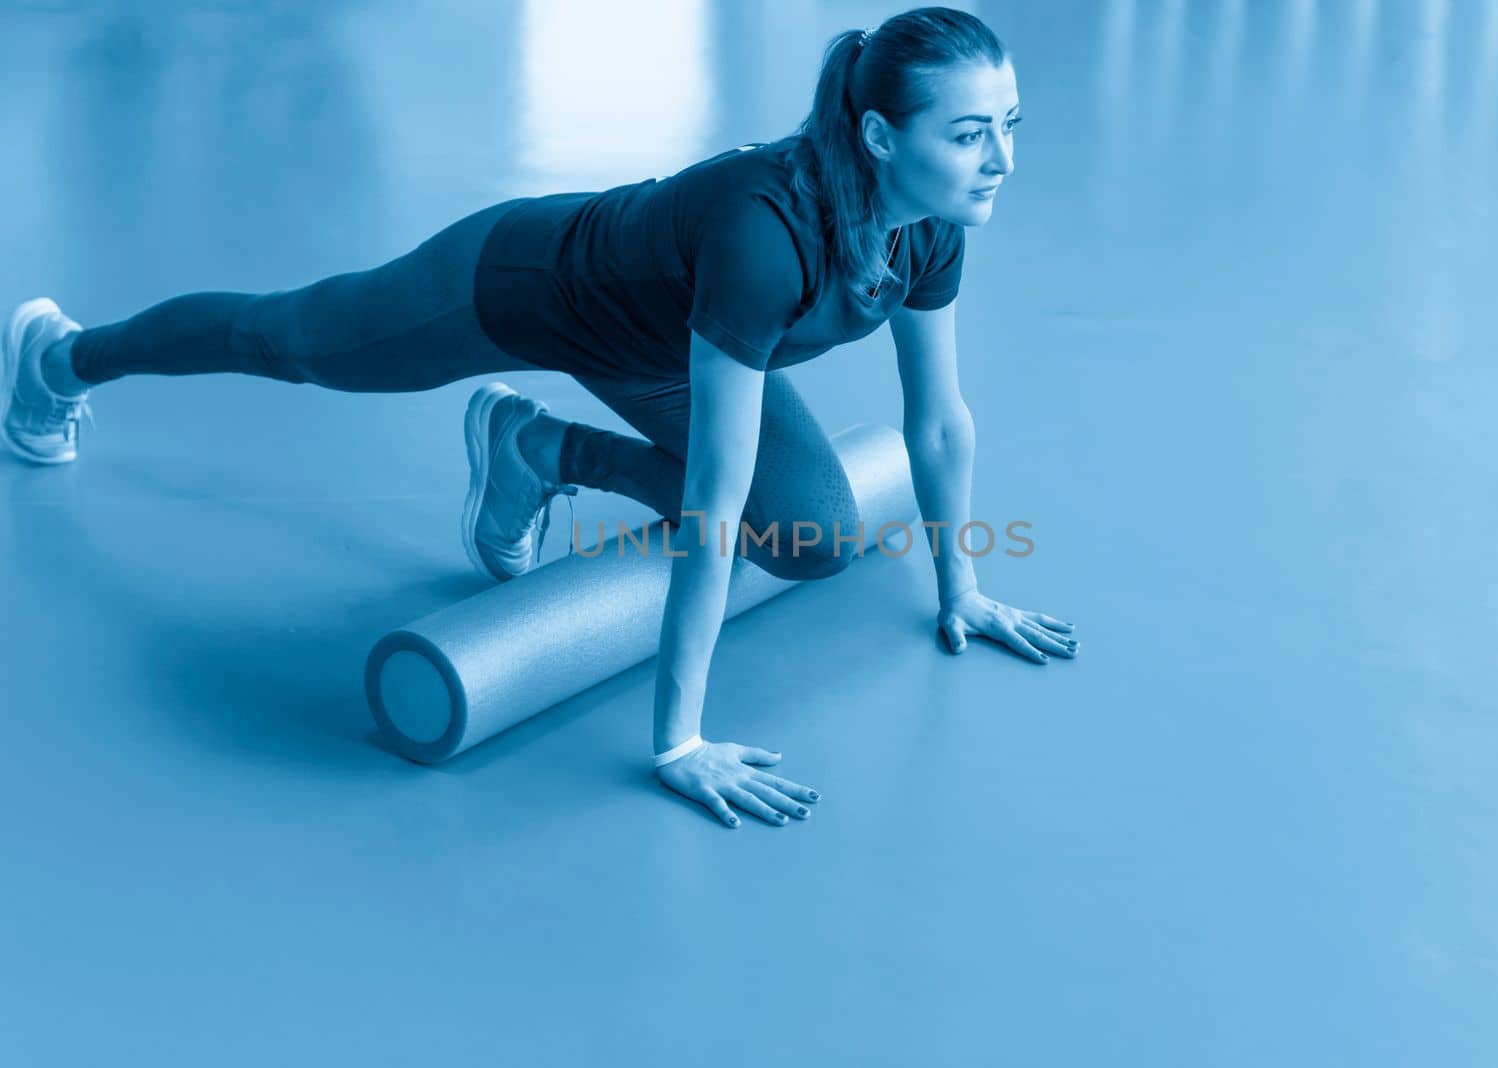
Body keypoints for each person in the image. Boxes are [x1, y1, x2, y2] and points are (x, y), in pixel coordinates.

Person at [0, 6, 1076, 829]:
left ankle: (533, 447)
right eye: (972, 134)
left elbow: (937, 425)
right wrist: (679, 741)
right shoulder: (766, 237)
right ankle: (62, 355)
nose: (1003, 162)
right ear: (881, 136)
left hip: (662, 351)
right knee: (288, 344)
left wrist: (965, 585)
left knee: (818, 537)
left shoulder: (930, 226)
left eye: (1009, 127)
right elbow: (709, 510)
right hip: (519, 286)